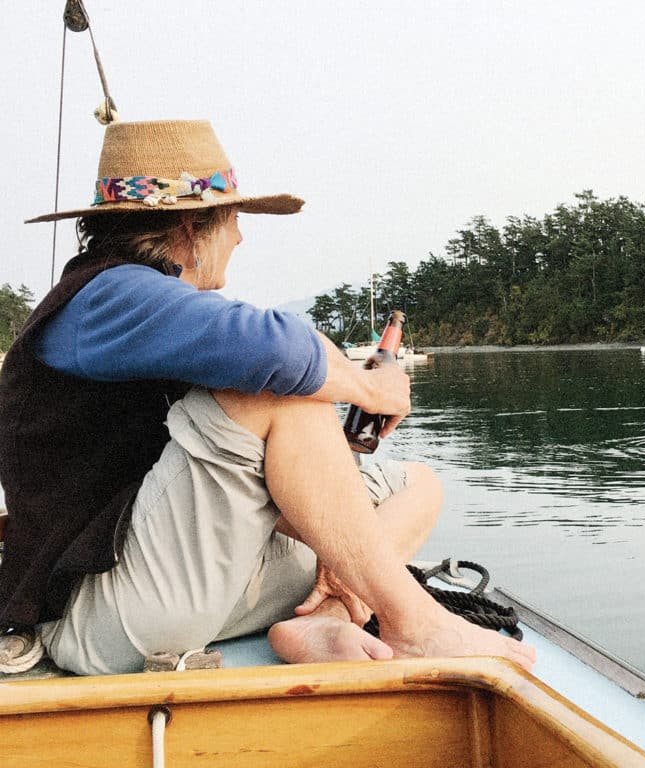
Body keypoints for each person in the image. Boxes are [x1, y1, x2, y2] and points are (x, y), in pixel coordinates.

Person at [0, 119, 535, 675]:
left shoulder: (154, 314)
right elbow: (276, 351)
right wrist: (370, 387)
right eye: (233, 219)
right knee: (278, 397)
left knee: (418, 486)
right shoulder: (106, 295)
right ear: (192, 224)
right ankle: (415, 624)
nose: (239, 238)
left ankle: (328, 615)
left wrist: (333, 532)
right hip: (99, 615)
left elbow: (272, 350)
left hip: (193, 588)